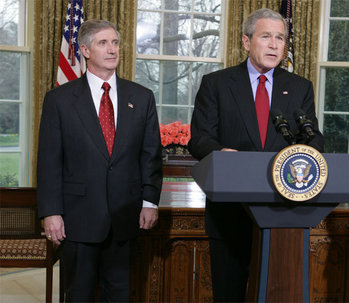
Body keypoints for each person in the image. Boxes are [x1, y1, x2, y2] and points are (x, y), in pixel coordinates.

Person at [188, 8, 324, 302]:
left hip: (283, 212)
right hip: (230, 212)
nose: (275, 45)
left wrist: (311, 152)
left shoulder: (299, 88)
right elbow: (198, 139)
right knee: (230, 294)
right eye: (266, 37)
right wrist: (222, 154)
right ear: (246, 42)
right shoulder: (217, 84)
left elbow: (310, 136)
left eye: (280, 38)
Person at [37, 19, 162, 302]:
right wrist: (51, 212)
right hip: (77, 218)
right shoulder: (59, 99)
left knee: (118, 294)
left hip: (125, 216)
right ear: (85, 50)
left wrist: (150, 201)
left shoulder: (141, 98)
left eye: (115, 42)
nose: (112, 49)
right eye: (103, 43)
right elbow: (49, 160)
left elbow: (150, 155)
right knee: (78, 294)